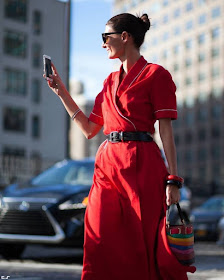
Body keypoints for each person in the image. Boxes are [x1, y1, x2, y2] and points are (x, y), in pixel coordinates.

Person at [44, 13, 196, 280]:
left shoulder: (156, 75)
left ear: (124, 37)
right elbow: (90, 130)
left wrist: (173, 179)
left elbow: (166, 130)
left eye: (106, 37)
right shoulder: (109, 81)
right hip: (107, 167)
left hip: (142, 165)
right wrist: (62, 93)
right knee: (98, 235)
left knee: (141, 240)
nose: (103, 44)